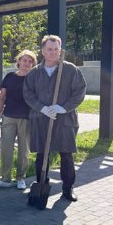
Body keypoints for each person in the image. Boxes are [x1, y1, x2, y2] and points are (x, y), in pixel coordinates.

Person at [23, 34, 86, 202]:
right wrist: (42, 108)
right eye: (49, 49)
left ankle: (68, 188)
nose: (53, 52)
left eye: (56, 49)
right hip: (41, 119)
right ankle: (42, 185)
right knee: (42, 155)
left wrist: (62, 107)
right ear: (43, 51)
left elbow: (79, 92)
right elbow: (28, 94)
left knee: (66, 154)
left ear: (60, 50)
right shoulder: (34, 73)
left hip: (65, 120)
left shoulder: (70, 70)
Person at [0, 50, 37, 190]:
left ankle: (20, 178)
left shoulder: (33, 79)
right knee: (6, 149)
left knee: (24, 150)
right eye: (24, 60)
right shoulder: (9, 77)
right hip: (9, 117)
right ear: (18, 61)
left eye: (30, 61)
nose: (27, 63)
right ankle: (5, 179)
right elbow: (2, 98)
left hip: (26, 118)